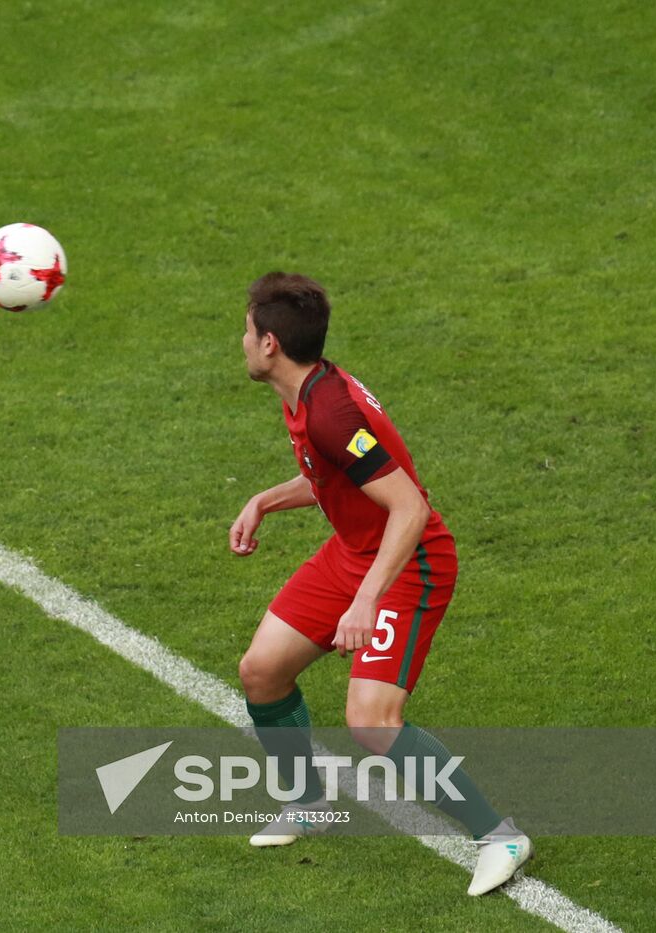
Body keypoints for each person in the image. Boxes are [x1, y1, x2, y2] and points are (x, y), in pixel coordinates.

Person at [229, 272, 531, 896]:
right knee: (261, 670)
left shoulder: (332, 412)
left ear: (270, 346)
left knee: (371, 719)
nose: (242, 340)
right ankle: (308, 804)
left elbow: (409, 508)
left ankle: (498, 835)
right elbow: (332, 478)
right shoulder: (307, 394)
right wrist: (264, 501)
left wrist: (366, 600)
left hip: (409, 562)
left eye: (248, 331)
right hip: (353, 551)